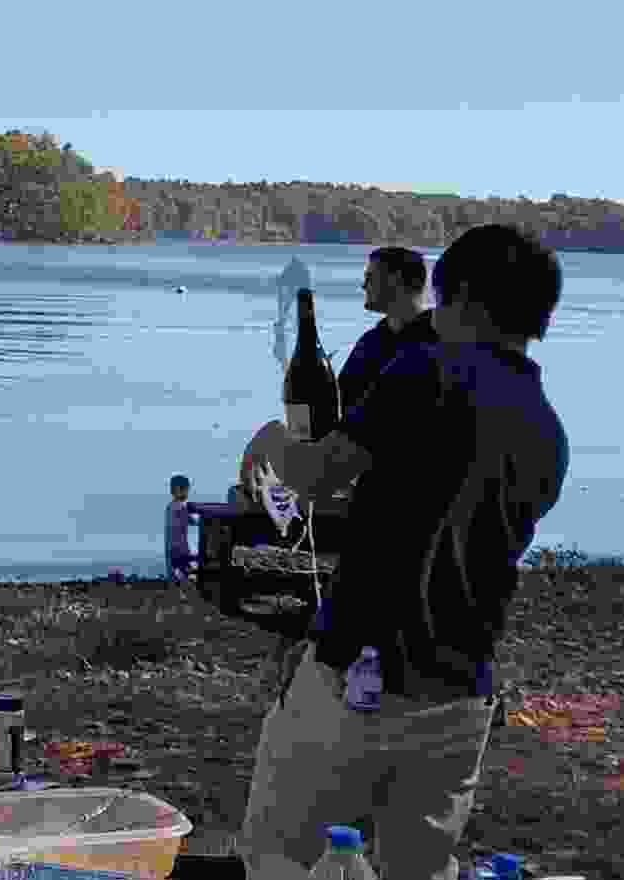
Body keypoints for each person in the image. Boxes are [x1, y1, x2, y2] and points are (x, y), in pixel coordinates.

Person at [234, 224, 567, 880]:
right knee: (415, 869)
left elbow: (316, 475)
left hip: (361, 674)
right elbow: (434, 520)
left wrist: (271, 439)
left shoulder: (427, 369)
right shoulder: (543, 426)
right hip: (462, 692)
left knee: (283, 856)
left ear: (462, 298)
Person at [339, 247, 439, 417]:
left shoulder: (438, 343)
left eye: (370, 278)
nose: (363, 286)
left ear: (396, 279)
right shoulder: (370, 342)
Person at [164, 474, 201, 582]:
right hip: (180, 547)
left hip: (171, 546)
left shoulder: (170, 506)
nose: (187, 494)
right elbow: (193, 521)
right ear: (177, 490)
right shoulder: (180, 506)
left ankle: (179, 592)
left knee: (176, 575)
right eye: (186, 490)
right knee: (186, 573)